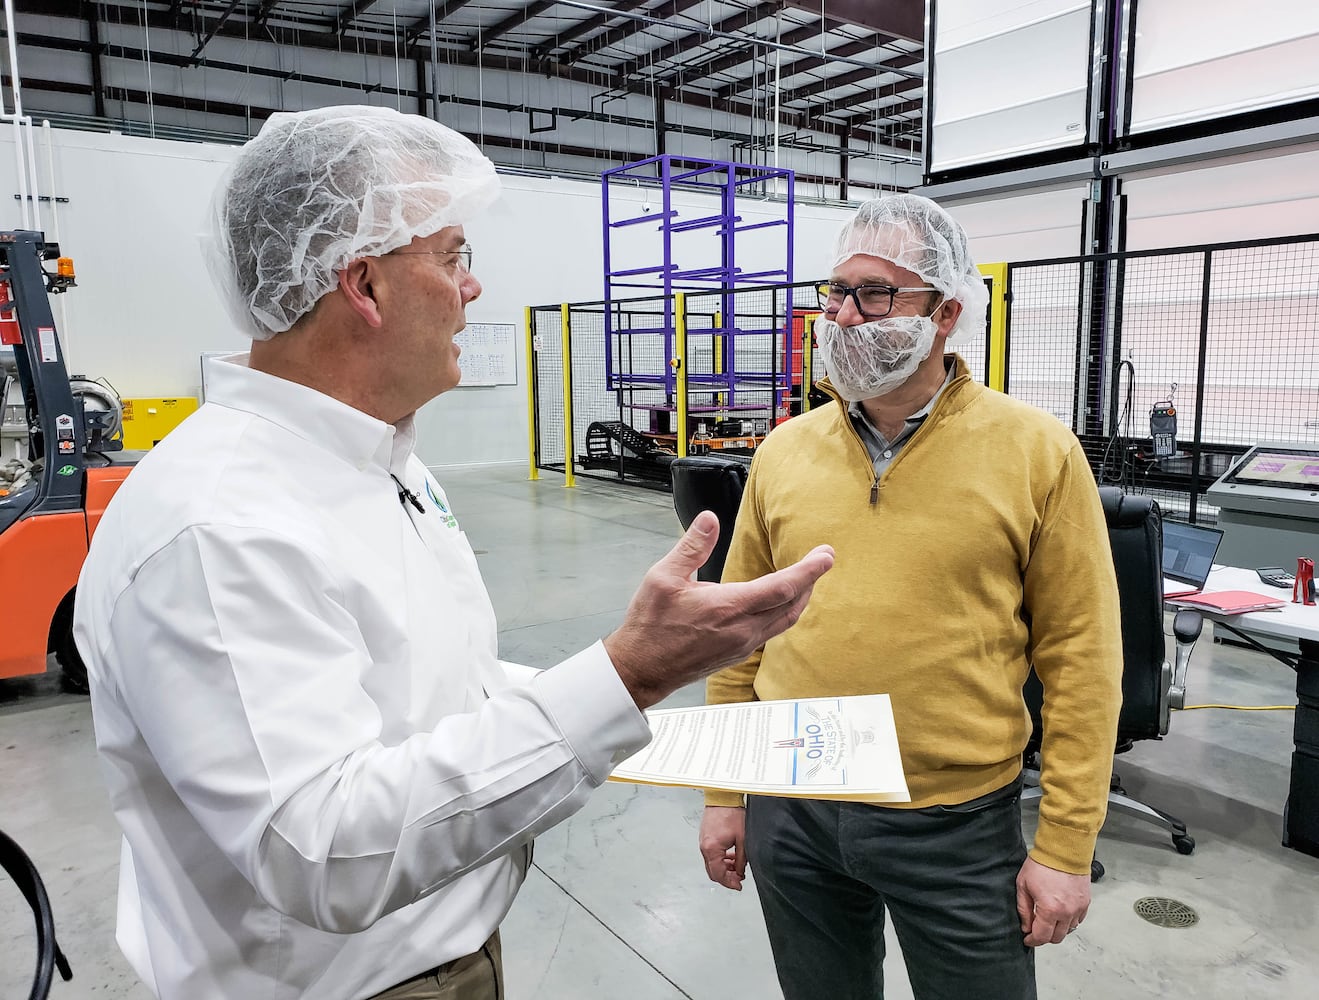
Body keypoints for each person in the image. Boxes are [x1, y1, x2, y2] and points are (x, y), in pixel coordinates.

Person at [72, 105, 834, 1000]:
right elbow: (323, 854)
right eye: (452, 257)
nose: (472, 288)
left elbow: (430, 691)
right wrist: (625, 678)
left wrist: (642, 708)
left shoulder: (377, 462)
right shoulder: (221, 523)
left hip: (442, 951)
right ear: (364, 283)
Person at [697, 194, 1123, 1000]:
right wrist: (726, 794)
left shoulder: (1034, 450)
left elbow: (1082, 659)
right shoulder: (784, 452)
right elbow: (737, 636)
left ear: (946, 312)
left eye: (876, 293)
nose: (844, 316)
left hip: (953, 820)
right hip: (792, 807)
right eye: (834, 291)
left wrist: (1065, 844)